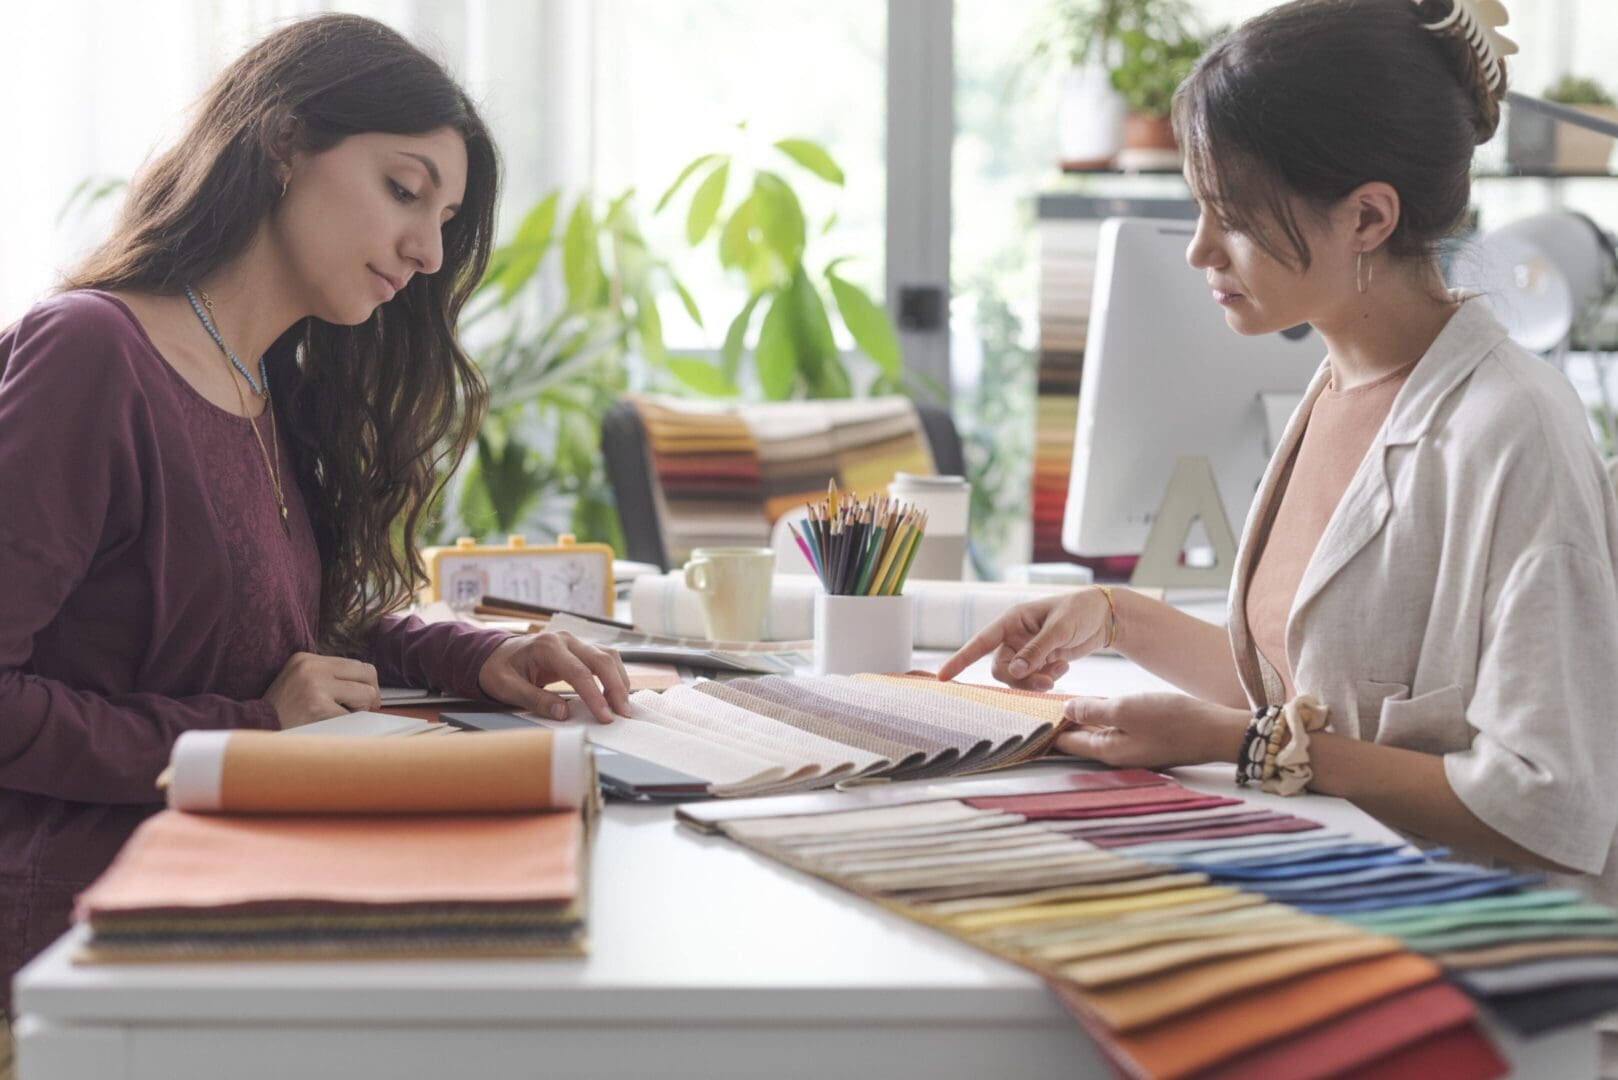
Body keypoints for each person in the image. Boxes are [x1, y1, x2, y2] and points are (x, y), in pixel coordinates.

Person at [0, 13, 632, 1029]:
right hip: (86, 943)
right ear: (283, 143)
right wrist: (249, 732)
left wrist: (476, 657)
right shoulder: (93, 356)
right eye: (403, 190)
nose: (426, 251)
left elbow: (287, 634)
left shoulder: (267, 381)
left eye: (445, 218)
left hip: (240, 881)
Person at [942, 0, 1618, 911]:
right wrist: (1114, 618)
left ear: (1369, 217)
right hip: (1322, 885)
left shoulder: (1516, 433)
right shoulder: (1340, 386)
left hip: (1458, 943)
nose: (1197, 250)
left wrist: (1235, 744)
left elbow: (1551, 804)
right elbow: (1315, 690)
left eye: (1234, 218)